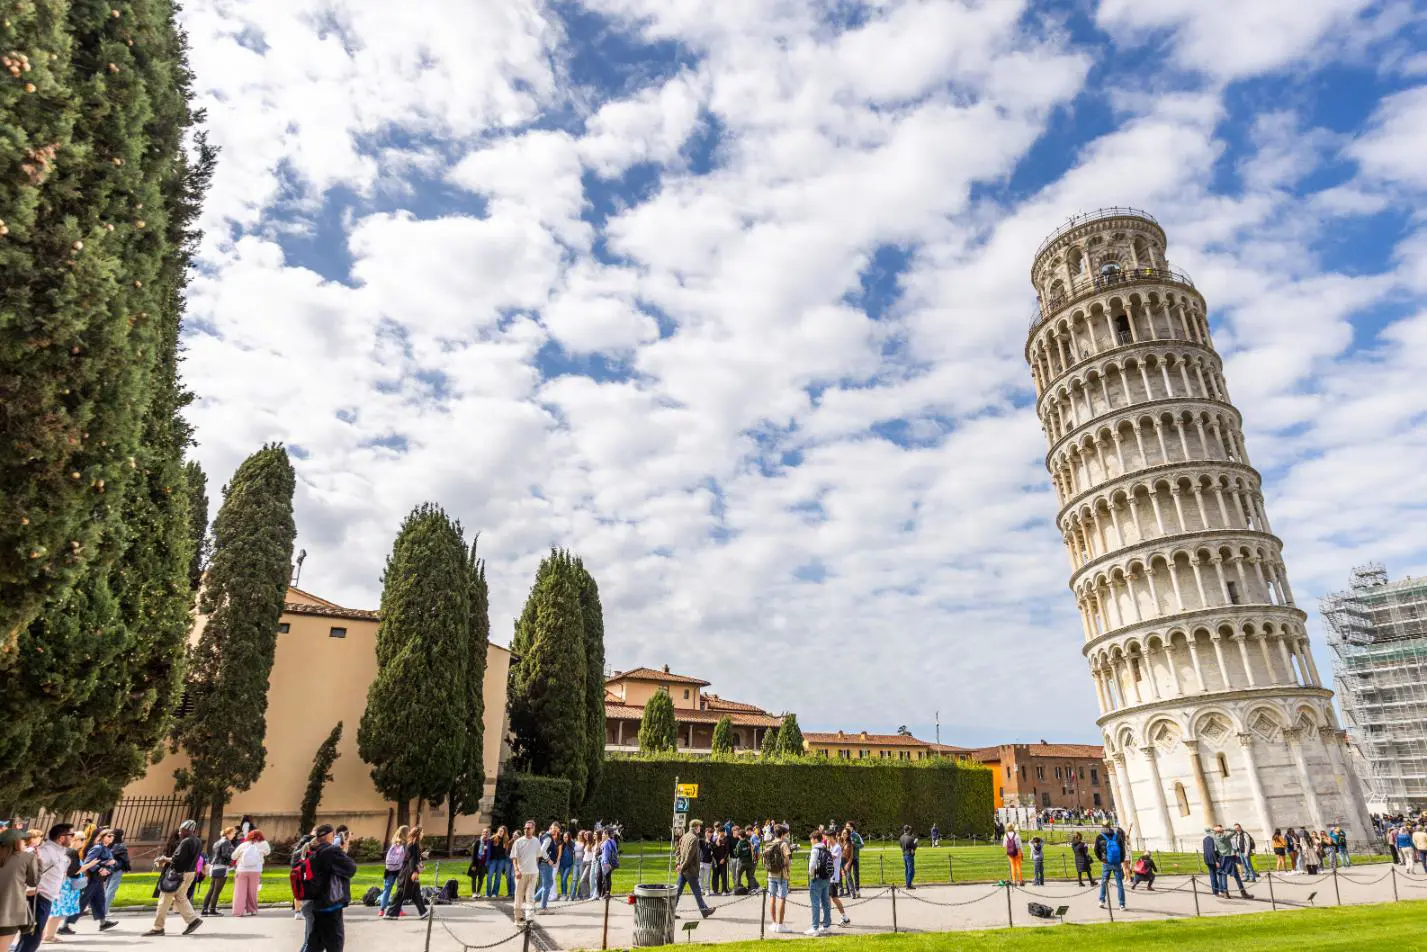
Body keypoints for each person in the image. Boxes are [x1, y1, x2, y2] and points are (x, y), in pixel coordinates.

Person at [17, 824, 71, 952]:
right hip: (37, 897)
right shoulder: (43, 851)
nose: (73, 838)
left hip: (46, 897)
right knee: (32, 936)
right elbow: (23, 870)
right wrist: (28, 887)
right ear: (61, 837)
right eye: (71, 835)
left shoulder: (59, 852)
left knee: (32, 936)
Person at [145, 820, 204, 936]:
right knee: (181, 897)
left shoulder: (186, 841)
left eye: (181, 830)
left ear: (186, 830)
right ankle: (193, 920)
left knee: (164, 900)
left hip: (178, 874)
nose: (179, 832)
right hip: (190, 873)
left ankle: (158, 928)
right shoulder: (197, 841)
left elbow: (177, 859)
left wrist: (164, 859)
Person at [306, 824, 357, 952]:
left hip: (317, 903)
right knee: (335, 944)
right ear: (329, 835)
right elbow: (351, 868)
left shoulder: (313, 851)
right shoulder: (331, 851)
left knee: (315, 945)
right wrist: (343, 849)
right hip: (331, 903)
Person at [71, 827, 119, 932]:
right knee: (82, 901)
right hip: (92, 879)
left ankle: (103, 922)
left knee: (100, 900)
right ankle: (65, 925)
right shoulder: (98, 848)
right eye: (109, 836)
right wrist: (100, 868)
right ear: (102, 837)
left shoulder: (107, 849)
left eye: (113, 836)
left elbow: (109, 863)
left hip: (99, 880)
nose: (112, 838)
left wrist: (110, 867)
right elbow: (88, 861)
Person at [0, 828, 41, 945]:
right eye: (23, 840)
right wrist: (39, 861)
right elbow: (34, 882)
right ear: (17, 842)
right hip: (10, 912)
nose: (25, 843)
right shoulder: (27, 857)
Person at [385, 826, 429, 922]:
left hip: (409, 871)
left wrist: (422, 857)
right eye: (422, 832)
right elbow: (411, 859)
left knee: (416, 893)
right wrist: (414, 871)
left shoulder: (413, 844)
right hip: (408, 872)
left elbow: (413, 857)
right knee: (401, 892)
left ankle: (423, 912)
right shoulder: (413, 844)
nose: (423, 834)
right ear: (418, 834)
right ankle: (390, 913)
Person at [674, 820, 715, 919]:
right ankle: (705, 911)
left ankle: (669, 912)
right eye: (699, 827)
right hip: (690, 870)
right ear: (696, 827)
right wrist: (681, 867)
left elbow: (677, 852)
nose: (700, 828)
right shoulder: (694, 838)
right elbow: (689, 857)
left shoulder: (684, 836)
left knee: (677, 892)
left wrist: (678, 864)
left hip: (684, 870)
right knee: (697, 892)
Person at [230, 828, 270, 916]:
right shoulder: (264, 844)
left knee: (239, 891)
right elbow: (267, 852)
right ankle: (252, 910)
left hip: (242, 869)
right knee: (253, 891)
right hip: (256, 870)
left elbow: (233, 856)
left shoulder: (243, 845)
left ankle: (238, 911)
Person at [511, 821, 542, 925]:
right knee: (519, 896)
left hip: (533, 873)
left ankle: (529, 919)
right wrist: (516, 870)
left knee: (530, 896)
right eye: (525, 828)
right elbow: (514, 858)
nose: (526, 830)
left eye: (529, 828)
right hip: (521, 873)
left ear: (533, 829)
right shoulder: (518, 842)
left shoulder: (536, 841)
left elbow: (537, 856)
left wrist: (534, 867)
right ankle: (518, 918)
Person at [202, 826, 236, 916]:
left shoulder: (218, 841)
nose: (234, 834)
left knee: (212, 889)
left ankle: (204, 910)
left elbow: (218, 853)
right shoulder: (226, 842)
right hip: (221, 867)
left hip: (214, 867)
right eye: (233, 833)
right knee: (216, 890)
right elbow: (225, 854)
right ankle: (212, 910)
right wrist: (234, 856)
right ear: (228, 833)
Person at [762, 824, 790, 933]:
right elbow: (787, 860)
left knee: (772, 898)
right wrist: (787, 871)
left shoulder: (769, 844)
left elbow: (764, 861)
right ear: (782, 834)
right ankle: (780, 924)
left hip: (770, 875)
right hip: (781, 875)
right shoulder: (783, 844)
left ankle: (774, 923)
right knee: (782, 898)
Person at [805, 830, 833, 936]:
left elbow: (812, 866)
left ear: (815, 839)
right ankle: (826, 926)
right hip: (826, 878)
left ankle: (815, 928)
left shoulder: (815, 849)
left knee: (815, 903)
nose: (811, 842)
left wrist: (810, 874)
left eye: (811, 839)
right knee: (825, 903)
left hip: (817, 879)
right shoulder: (826, 848)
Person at [1213, 825, 1250, 898]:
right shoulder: (1226, 837)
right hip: (1229, 857)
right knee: (1236, 875)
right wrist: (1224, 828)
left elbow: (1206, 830)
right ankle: (1243, 892)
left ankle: (1226, 893)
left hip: (1222, 857)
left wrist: (1215, 829)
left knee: (1224, 875)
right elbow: (1234, 831)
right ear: (1222, 831)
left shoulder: (1214, 838)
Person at [1095, 822, 1126, 911]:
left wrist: (1102, 859)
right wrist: (1121, 860)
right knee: (1119, 883)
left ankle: (1101, 900)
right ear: (1110, 826)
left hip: (1106, 862)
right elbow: (1122, 849)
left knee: (1104, 882)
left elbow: (1096, 850)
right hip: (1116, 862)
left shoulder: (1100, 837)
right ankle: (1122, 904)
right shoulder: (1117, 836)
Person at [378, 825, 408, 915]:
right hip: (400, 869)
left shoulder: (393, 842)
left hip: (389, 869)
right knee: (399, 890)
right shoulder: (405, 843)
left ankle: (382, 910)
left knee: (387, 890)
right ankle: (399, 910)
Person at [534, 822, 560, 911]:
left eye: (557, 830)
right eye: (554, 829)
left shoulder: (546, 836)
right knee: (546, 886)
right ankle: (543, 908)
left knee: (549, 884)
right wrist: (549, 860)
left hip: (544, 864)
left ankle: (533, 900)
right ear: (551, 828)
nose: (555, 831)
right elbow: (542, 850)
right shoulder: (548, 837)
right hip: (545, 864)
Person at [105, 829, 131, 914]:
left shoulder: (108, 844)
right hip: (117, 869)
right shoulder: (121, 846)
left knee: (107, 888)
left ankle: (103, 908)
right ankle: (104, 910)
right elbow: (125, 859)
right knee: (111, 890)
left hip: (108, 868)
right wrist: (127, 868)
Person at [828, 830, 851, 927]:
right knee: (828, 897)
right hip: (829, 876)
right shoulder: (831, 847)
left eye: (828, 838)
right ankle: (827, 918)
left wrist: (824, 852)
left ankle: (845, 918)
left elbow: (832, 857)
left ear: (832, 837)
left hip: (834, 877)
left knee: (834, 898)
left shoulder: (837, 847)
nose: (826, 840)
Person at [487, 826, 513, 898]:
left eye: (503, 831)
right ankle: (488, 893)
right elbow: (487, 845)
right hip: (493, 860)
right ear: (498, 830)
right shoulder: (492, 838)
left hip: (502, 860)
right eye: (500, 831)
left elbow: (507, 849)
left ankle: (495, 893)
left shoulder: (506, 839)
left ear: (505, 833)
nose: (501, 832)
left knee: (498, 877)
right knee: (489, 876)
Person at [597, 828, 619, 899]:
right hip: (611, 863)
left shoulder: (606, 843)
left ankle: (606, 894)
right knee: (608, 878)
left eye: (603, 833)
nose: (602, 835)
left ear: (607, 834)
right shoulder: (612, 841)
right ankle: (607, 893)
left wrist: (606, 863)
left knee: (605, 879)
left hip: (606, 863)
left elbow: (606, 854)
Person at [469, 831, 490, 898]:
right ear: (482, 834)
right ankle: (474, 892)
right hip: (476, 863)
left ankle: (478, 892)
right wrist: (473, 865)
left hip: (483, 864)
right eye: (484, 833)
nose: (485, 835)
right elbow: (473, 854)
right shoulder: (478, 842)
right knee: (474, 878)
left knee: (481, 879)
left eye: (486, 834)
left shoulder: (488, 843)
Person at [557, 831, 575, 900]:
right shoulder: (561, 844)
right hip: (562, 865)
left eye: (566, 837)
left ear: (569, 837)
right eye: (564, 837)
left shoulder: (572, 844)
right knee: (562, 880)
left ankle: (564, 894)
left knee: (564, 879)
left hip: (569, 865)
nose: (565, 838)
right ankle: (563, 893)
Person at [898, 825, 918, 889]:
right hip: (909, 855)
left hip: (904, 854)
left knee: (906, 870)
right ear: (908, 830)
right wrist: (915, 842)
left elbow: (901, 846)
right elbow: (913, 847)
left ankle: (907, 882)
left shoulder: (901, 837)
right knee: (911, 870)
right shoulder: (910, 838)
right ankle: (908, 884)